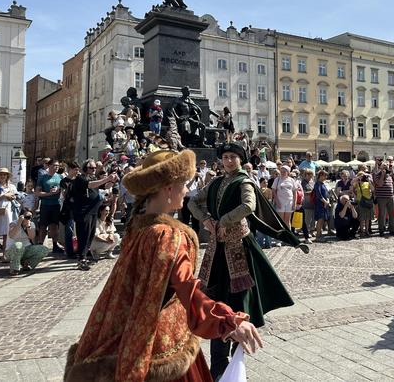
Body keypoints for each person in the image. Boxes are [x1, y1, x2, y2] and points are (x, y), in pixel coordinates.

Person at [65, 149, 264, 381]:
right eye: (184, 184)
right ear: (169, 189)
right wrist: (227, 322)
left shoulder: (137, 225)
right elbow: (187, 288)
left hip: (127, 332)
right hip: (160, 342)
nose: (187, 190)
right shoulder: (168, 235)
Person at [188, 142, 308, 378]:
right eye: (225, 157)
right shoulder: (214, 183)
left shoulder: (243, 181)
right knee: (217, 298)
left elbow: (249, 206)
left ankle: (235, 356)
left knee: (241, 301)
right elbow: (192, 202)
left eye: (233, 157)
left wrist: (223, 221)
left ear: (241, 160)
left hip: (240, 251)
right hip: (217, 252)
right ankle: (220, 363)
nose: (229, 161)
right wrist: (206, 220)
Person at [69, 160, 118, 270]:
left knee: (90, 236)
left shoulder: (94, 178)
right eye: (91, 168)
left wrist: (112, 180)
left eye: (95, 168)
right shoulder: (80, 178)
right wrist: (107, 178)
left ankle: (85, 257)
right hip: (83, 212)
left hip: (93, 211)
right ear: (85, 168)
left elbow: (104, 186)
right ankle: (81, 259)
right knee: (83, 236)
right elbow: (90, 185)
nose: (94, 169)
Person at [5, 210, 49, 276]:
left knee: (44, 249)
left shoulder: (31, 224)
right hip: (12, 250)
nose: (28, 218)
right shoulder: (13, 223)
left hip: (26, 248)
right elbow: (11, 235)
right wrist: (19, 223)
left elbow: (32, 237)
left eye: (30, 217)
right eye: (26, 216)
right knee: (19, 245)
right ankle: (14, 268)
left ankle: (26, 263)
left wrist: (28, 226)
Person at [35, 159, 64, 253]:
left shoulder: (60, 177)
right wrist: (49, 193)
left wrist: (59, 190)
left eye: (58, 166)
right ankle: (40, 245)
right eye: (54, 165)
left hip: (56, 205)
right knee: (43, 226)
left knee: (54, 226)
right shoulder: (43, 177)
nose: (56, 167)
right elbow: (37, 192)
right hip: (45, 205)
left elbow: (64, 189)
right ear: (49, 166)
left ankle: (55, 245)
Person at [0, 168, 17, 262]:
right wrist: (4, 195)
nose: (2, 176)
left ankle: (5, 255)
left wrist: (11, 196)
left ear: (7, 176)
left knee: (7, 235)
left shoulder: (12, 186)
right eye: (1, 174)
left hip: (8, 212)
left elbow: (15, 197)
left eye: (4, 174)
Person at [373, 157, 394, 237]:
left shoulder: (389, 174)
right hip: (381, 197)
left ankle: (392, 229)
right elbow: (379, 184)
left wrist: (391, 169)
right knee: (382, 214)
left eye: (386, 166)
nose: (386, 168)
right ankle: (381, 230)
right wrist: (382, 174)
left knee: (391, 214)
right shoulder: (376, 174)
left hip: (390, 197)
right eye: (384, 166)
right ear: (380, 167)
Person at [353, 166, 374, 237]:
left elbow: (373, 189)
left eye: (363, 175)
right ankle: (362, 231)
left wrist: (369, 180)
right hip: (360, 201)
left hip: (367, 200)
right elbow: (352, 185)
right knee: (361, 218)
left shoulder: (367, 183)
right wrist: (357, 178)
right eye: (360, 175)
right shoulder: (357, 183)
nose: (362, 176)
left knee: (367, 218)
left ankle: (367, 231)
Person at [313, 170, 331, 240]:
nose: (326, 177)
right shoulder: (317, 184)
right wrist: (325, 202)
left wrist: (327, 201)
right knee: (320, 220)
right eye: (325, 175)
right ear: (320, 175)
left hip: (324, 204)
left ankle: (320, 234)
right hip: (320, 204)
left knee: (322, 219)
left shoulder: (323, 184)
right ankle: (318, 235)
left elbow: (326, 194)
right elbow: (319, 195)